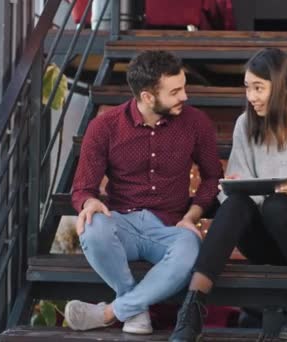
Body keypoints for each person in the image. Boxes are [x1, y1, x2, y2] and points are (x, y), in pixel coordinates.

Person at [168, 47, 287, 342]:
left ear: (281, 86)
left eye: (258, 88)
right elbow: (236, 199)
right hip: (264, 241)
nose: (251, 97)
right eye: (247, 88)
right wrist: (236, 186)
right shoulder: (246, 123)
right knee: (238, 202)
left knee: (280, 205)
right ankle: (193, 305)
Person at [64, 50, 223, 334]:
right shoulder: (105, 126)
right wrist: (88, 202)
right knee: (92, 225)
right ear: (147, 97)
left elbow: (213, 178)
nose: (184, 96)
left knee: (190, 246)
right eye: (175, 91)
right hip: (121, 223)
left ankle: (112, 312)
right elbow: (82, 188)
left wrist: (192, 215)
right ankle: (135, 308)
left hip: (169, 226)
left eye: (183, 87)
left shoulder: (196, 123)